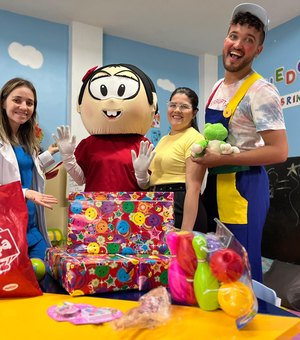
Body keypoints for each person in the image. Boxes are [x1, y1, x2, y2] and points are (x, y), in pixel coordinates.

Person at [191, 3, 288, 282]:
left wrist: (222, 159)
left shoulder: (261, 91)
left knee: (240, 267)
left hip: (244, 187)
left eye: (249, 40)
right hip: (215, 186)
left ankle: (252, 322)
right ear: (225, 38)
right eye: (234, 35)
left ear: (258, 50)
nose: (238, 45)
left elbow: (279, 151)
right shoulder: (216, 88)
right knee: (215, 264)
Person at [53, 63, 157, 192]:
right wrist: (67, 156)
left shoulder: (142, 144)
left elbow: (146, 186)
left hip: (131, 209)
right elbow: (80, 179)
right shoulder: (89, 144)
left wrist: (142, 174)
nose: (111, 100)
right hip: (95, 208)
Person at [132, 87, 207, 232]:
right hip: (157, 203)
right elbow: (153, 181)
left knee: (179, 253)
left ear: (194, 113)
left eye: (184, 106)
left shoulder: (195, 138)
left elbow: (194, 188)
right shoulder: (164, 139)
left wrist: (186, 232)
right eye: (173, 105)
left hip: (179, 205)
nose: (177, 110)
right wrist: (141, 175)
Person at [0, 77, 58, 260]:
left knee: (47, 273)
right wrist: (25, 193)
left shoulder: (26, 140)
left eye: (29, 103)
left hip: (31, 227)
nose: (24, 107)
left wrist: (52, 153)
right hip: (7, 229)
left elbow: (30, 171)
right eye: (17, 100)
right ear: (3, 102)